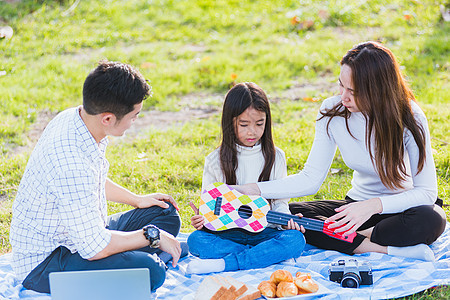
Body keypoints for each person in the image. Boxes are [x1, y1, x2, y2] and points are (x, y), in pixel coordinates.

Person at [233, 42, 446, 261]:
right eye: (341, 86)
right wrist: (251, 189)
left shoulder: (411, 118)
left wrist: (373, 206)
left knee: (432, 219)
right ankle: (381, 248)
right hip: (353, 210)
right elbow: (310, 179)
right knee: (289, 214)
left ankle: (353, 237)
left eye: (354, 92)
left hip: (403, 210)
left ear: (379, 90)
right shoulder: (332, 112)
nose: (343, 97)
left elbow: (426, 192)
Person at [10, 60, 187, 294]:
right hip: (47, 262)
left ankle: (131, 256)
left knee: (164, 213)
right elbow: (94, 248)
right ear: (107, 118)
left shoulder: (78, 119)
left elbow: (91, 180)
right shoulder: (70, 163)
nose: (135, 121)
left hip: (83, 231)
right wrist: (150, 236)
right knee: (150, 271)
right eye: (134, 116)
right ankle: (143, 256)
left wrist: (137, 200)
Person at [186, 82, 306, 274]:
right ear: (230, 122)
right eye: (244, 124)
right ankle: (266, 257)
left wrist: (285, 219)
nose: (252, 131)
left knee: (295, 240)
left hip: (265, 231)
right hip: (228, 233)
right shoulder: (215, 160)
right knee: (196, 241)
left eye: (260, 124)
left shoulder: (276, 157)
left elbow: (280, 202)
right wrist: (203, 219)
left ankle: (226, 263)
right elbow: (209, 204)